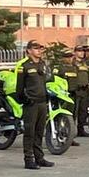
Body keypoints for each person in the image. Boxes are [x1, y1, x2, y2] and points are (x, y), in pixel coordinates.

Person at [17, 40, 53, 169]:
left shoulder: (43, 64)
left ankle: (39, 157)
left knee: (39, 131)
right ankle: (28, 159)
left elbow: (45, 81)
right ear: (29, 51)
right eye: (36, 48)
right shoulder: (24, 66)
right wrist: (24, 100)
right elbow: (19, 88)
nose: (39, 50)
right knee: (29, 132)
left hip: (42, 102)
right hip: (31, 103)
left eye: (40, 48)